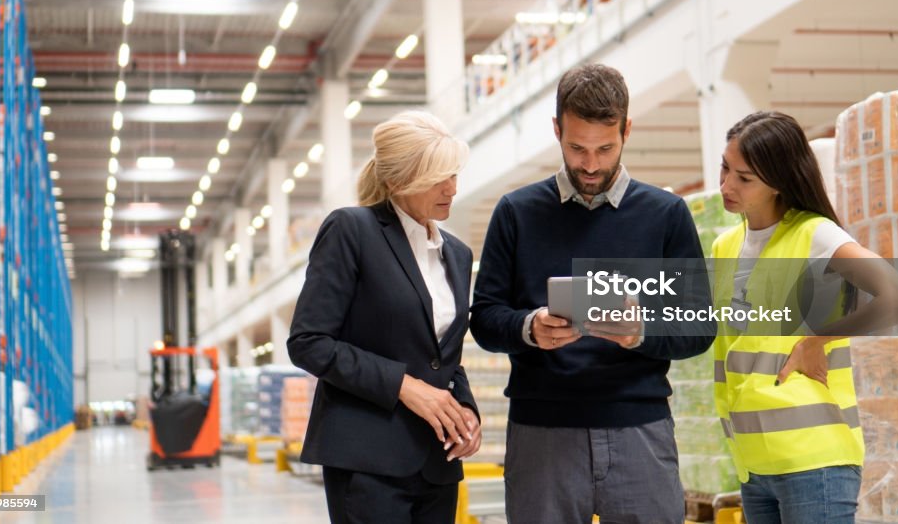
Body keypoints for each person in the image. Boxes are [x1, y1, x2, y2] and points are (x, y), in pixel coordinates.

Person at [470, 64, 715, 524]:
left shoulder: (665, 215)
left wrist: (640, 331)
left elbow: (699, 327)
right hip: (542, 431)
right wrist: (529, 328)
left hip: (639, 427)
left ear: (627, 129)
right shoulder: (516, 213)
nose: (590, 165)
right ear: (557, 130)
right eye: (576, 148)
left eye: (605, 148)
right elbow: (484, 318)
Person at [713, 111, 898, 524]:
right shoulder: (725, 246)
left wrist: (817, 341)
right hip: (753, 463)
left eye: (744, 178)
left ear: (778, 182)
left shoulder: (814, 234)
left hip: (815, 462)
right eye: (725, 168)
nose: (726, 185)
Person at [287, 110, 481, 524]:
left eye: (454, 174)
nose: (452, 188)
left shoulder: (458, 255)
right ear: (398, 181)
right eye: (438, 176)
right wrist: (404, 386)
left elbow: (445, 356)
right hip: (368, 458)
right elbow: (309, 342)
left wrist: (465, 411)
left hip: (437, 459)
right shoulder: (351, 231)